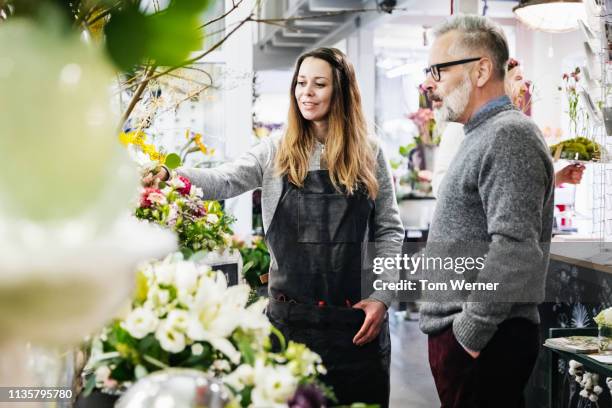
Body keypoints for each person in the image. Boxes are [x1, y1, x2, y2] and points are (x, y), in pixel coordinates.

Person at [144, 47, 403, 407]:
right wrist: (175, 177)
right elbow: (225, 179)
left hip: (355, 325)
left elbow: (389, 230)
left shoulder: (369, 153)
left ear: (340, 91)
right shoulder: (276, 151)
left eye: (319, 84)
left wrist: (382, 297)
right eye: (300, 83)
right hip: (291, 324)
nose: (306, 93)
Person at [419, 15, 554, 408]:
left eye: (439, 70)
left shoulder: (509, 135)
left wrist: (470, 333)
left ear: (480, 70)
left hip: (486, 338)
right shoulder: (480, 133)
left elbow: (515, 247)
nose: (431, 83)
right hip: (469, 336)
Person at [432, 58, 585, 196]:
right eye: (518, 79)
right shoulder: (461, 125)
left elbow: (521, 187)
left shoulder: (513, 129)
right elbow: (439, 186)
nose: (525, 88)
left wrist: (560, 178)